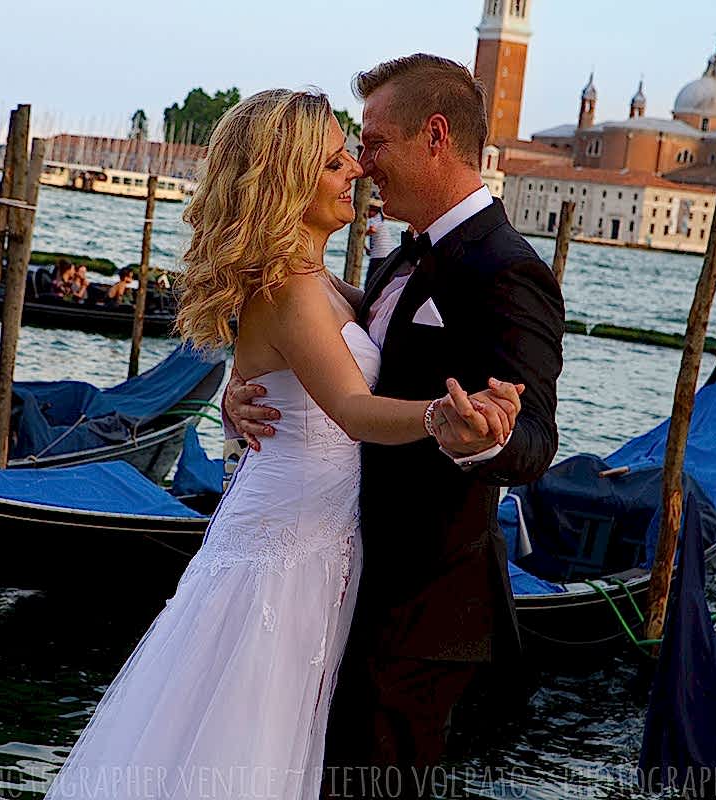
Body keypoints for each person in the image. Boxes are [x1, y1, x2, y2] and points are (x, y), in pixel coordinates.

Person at [44, 88, 524, 800]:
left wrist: (239, 401)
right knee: (241, 742)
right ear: (290, 181)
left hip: (314, 537)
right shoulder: (290, 290)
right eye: (334, 163)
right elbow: (353, 407)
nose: (355, 173)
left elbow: (323, 369)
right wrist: (443, 418)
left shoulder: (326, 284)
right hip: (284, 545)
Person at [225, 56, 564, 798]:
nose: (360, 162)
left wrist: (486, 438)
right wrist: (241, 389)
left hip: (421, 606)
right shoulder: (398, 255)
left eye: (373, 143)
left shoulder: (507, 270)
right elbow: (307, 348)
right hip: (334, 578)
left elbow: (535, 435)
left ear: (434, 136)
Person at [364, 201, 397, 288]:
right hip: (385, 253)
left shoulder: (375, 219)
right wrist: (366, 248)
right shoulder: (380, 220)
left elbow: (372, 230)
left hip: (379, 255)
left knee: (370, 281)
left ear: (373, 211)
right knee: (379, 280)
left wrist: (361, 235)